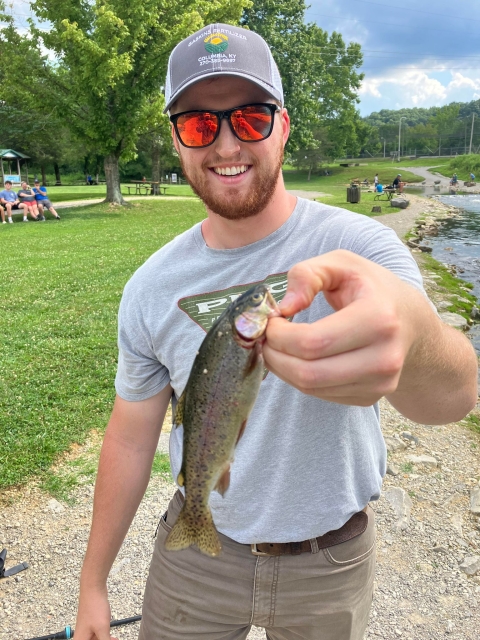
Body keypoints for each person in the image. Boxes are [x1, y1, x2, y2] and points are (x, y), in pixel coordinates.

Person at [75, 23, 478, 640]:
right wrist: (93, 584)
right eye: (199, 125)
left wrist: (416, 334)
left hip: (332, 562)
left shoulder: (361, 247)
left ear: (283, 127)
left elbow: (452, 400)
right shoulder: (149, 288)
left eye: (252, 118)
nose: (227, 143)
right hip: (195, 558)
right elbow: (130, 441)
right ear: (178, 143)